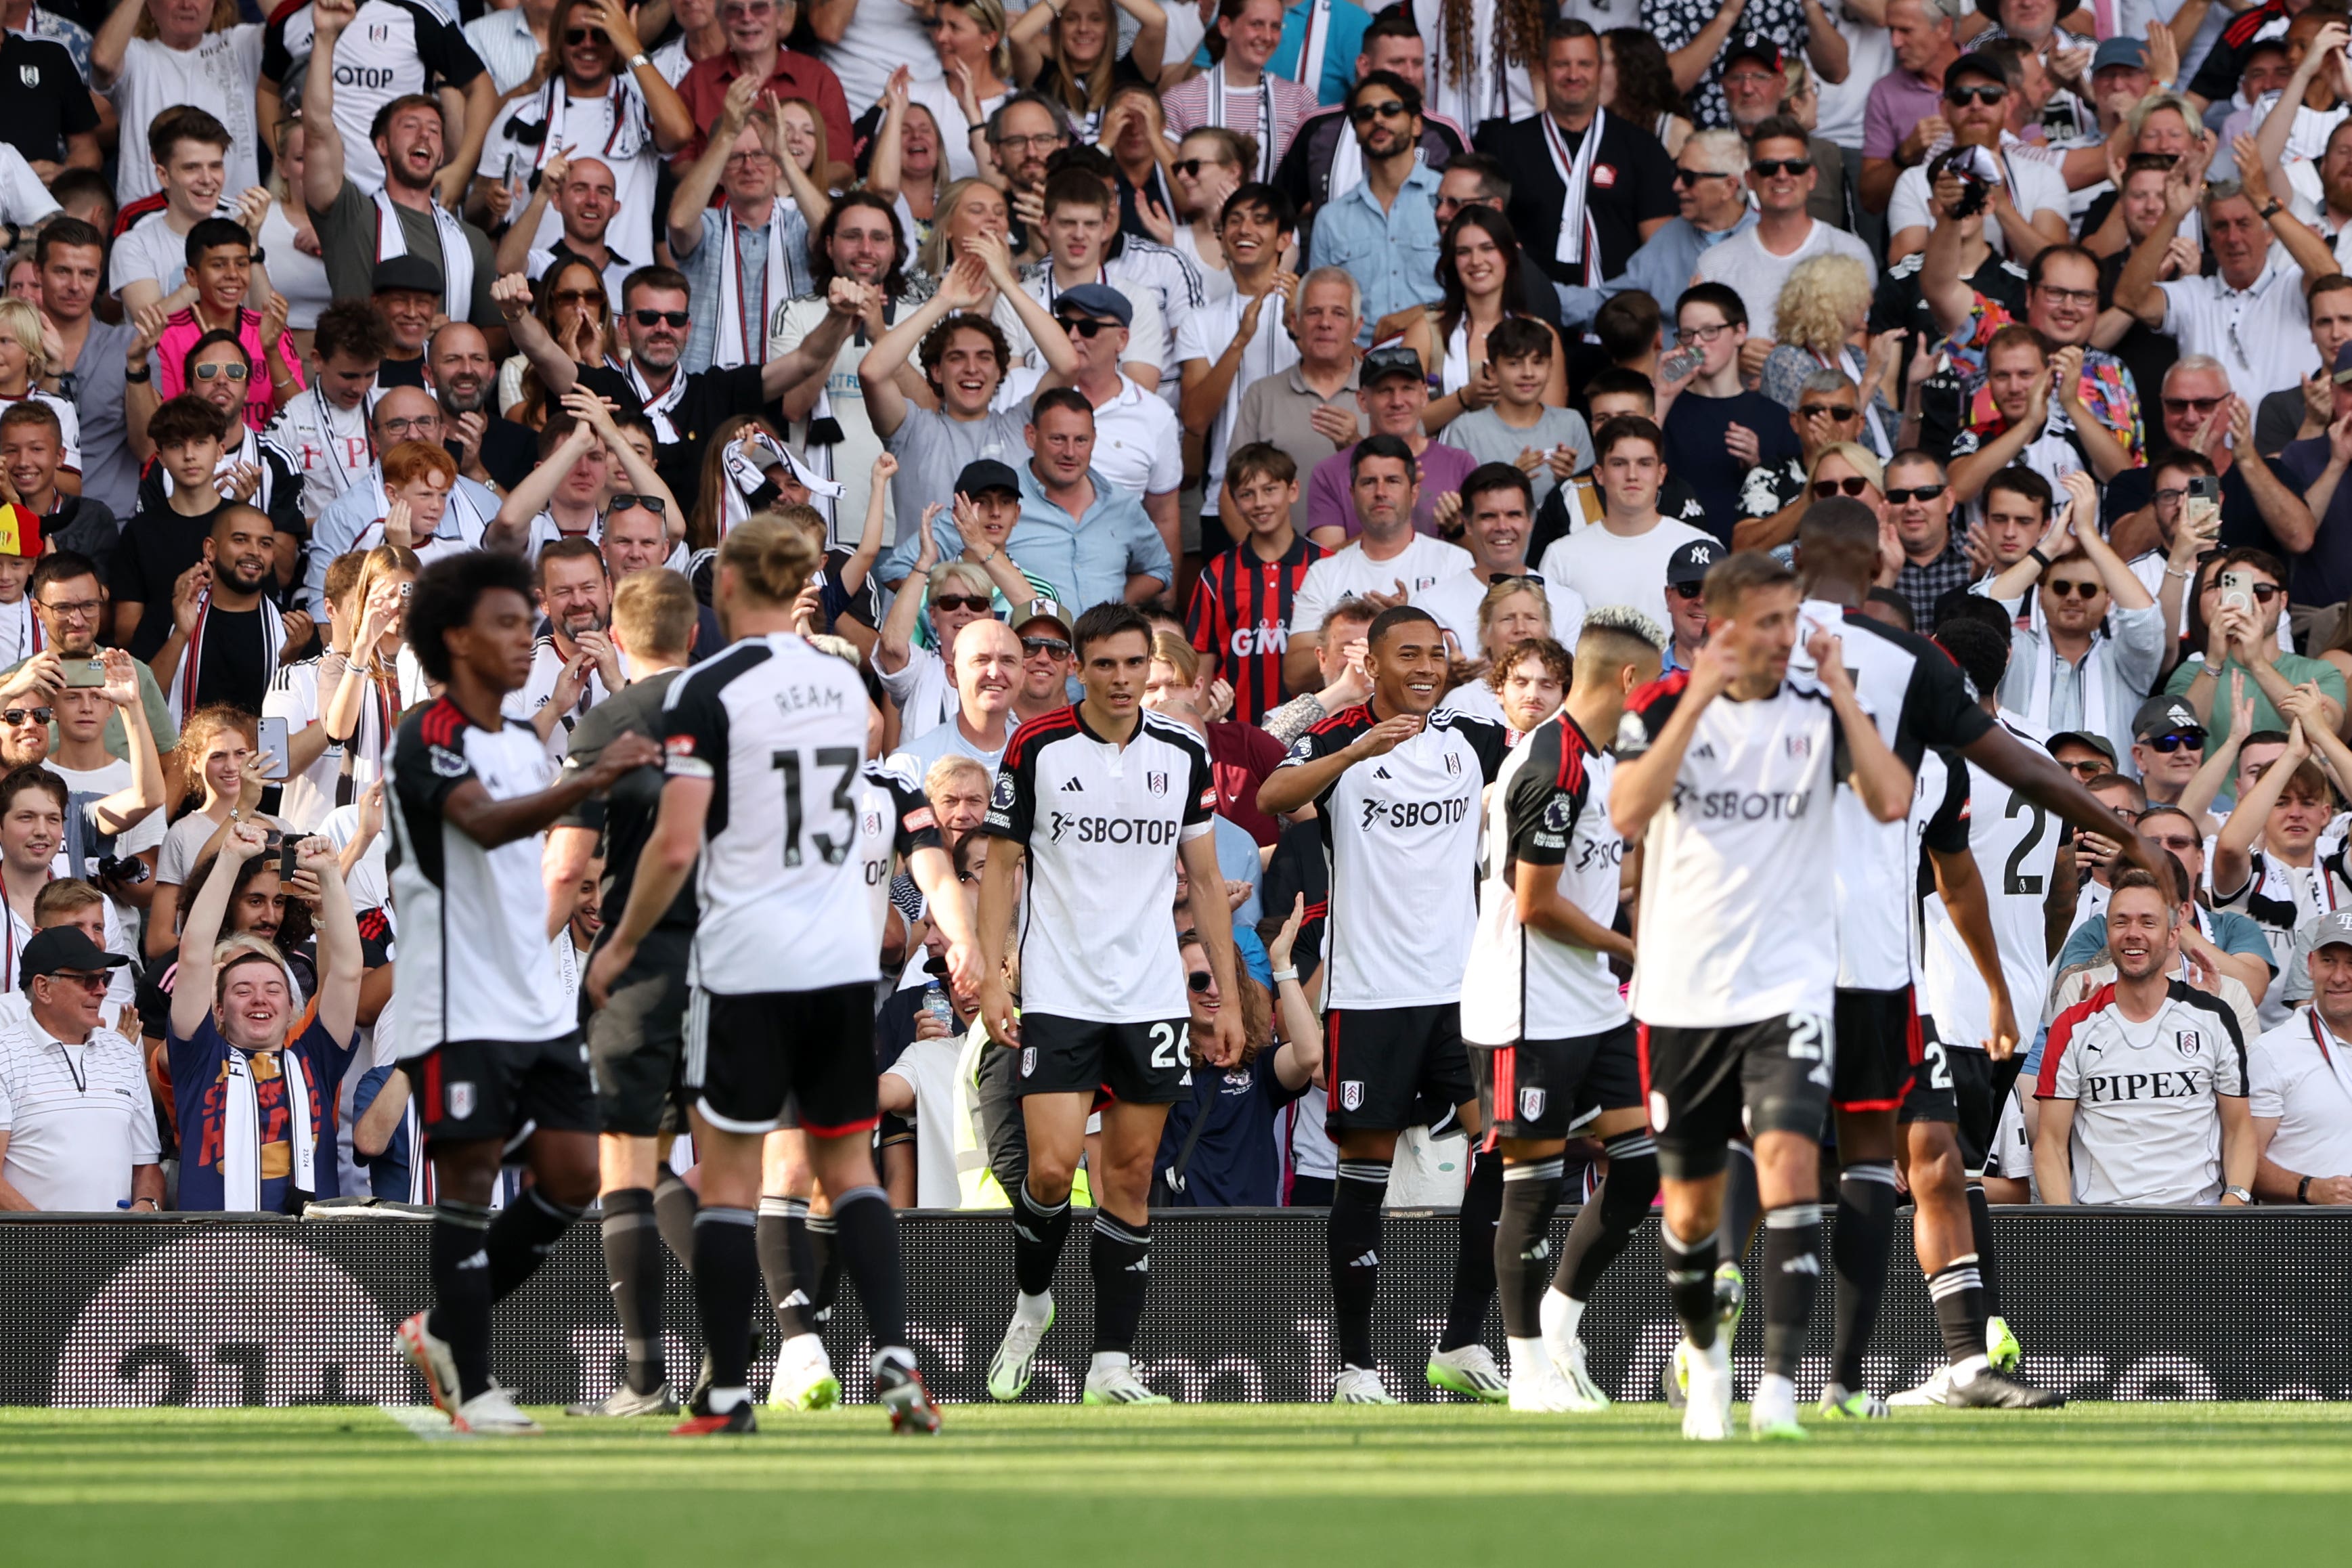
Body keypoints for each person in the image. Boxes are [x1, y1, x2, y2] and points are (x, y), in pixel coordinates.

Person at [1609, 549, 1913, 1441]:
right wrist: (1697, 695)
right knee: (1695, 1213)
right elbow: (1627, 812)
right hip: (1681, 994)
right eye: (1771, 623)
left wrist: (1842, 695)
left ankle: (1779, 1389)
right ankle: (1706, 1366)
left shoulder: (1818, 713)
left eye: (1794, 621)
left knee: (1786, 1163)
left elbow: (1892, 800)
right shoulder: (1662, 708)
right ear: (1722, 624)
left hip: (1789, 988)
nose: (1788, 639)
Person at [387, 549, 664, 1435]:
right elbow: (478, 820)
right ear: (456, 639)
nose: (526, 638)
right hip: (457, 999)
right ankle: (469, 1386)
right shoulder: (425, 732)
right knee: (469, 1181)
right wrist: (590, 780)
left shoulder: (516, 740)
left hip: (534, 1001)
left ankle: (440, 1329)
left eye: (525, 621)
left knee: (576, 1172)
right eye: (507, 623)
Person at [974, 601, 1244, 1406]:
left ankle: (1111, 1366)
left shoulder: (1183, 752)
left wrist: (1224, 996)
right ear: (1079, 668)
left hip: (1152, 995)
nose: (1124, 680)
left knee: (1126, 1181)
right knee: (1053, 1172)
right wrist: (994, 973)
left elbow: (1202, 879)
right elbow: (999, 866)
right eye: (1107, 665)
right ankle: (1032, 1305)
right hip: (1060, 991)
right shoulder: (1038, 745)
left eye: (1136, 664)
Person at [1256, 605, 1510, 1406]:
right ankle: (1356, 1367)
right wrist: (1355, 749)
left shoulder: (1471, 740)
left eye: (1437, 654)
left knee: (1505, 1149)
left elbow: (1541, 749)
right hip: (1372, 999)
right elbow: (1270, 793)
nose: (1427, 666)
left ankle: (1463, 1339)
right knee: (1361, 1177)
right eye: (1409, 654)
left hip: (1462, 999)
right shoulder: (1342, 743)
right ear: (1374, 662)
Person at [1459, 607, 1664, 1411]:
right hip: (1524, 1006)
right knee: (1533, 1187)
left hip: (1587, 1004)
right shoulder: (1553, 762)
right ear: (1627, 680)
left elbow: (1594, 878)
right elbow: (1537, 903)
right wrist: (1636, 953)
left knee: (1639, 1165)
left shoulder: (1602, 760)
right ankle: (1529, 1371)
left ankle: (1561, 1319)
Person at [540, 569, 689, 1415]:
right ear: (692, 636)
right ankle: (757, 1345)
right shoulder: (737, 714)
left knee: (627, 1162)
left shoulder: (611, 721)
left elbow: (566, 865)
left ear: (621, 642)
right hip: (739, 968)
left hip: (641, 966)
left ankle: (643, 1382)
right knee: (723, 1168)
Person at [164, 816, 362, 1213]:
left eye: (274, 989)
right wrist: (231, 859)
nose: (260, 999)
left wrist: (329, 877)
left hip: (306, 1261)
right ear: (217, 1009)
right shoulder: (198, 1058)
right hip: (214, 1258)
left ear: (292, 1007)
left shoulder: (315, 1058)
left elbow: (347, 970)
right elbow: (194, 953)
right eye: (242, 990)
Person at [2037, 867, 2255, 1208]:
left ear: (2173, 935)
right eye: (2120, 922)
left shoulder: (2214, 1017)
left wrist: (2232, 1207)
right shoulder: (2072, 1025)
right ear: (2108, 933)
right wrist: (2072, 1233)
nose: (2133, 934)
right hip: (2104, 1228)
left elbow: (2240, 1129)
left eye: (2148, 922)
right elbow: (2049, 1143)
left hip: (2200, 1224)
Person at [297, 2, 502, 337]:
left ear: (441, 152)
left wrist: (454, 338)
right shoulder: (350, 217)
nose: (424, 135)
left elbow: (495, 341)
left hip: (440, 386)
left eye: (435, 130)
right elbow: (318, 129)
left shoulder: (470, 241)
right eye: (410, 126)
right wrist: (324, 37)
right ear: (382, 144)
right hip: (366, 384)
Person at [476, 0, 694, 271]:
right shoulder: (520, 115)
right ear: (558, 42)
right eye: (575, 36)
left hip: (625, 295)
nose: (588, 45)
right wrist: (490, 201)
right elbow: (477, 213)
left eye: (601, 36)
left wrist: (630, 46)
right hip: (543, 292)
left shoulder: (640, 107)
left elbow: (681, 132)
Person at [2114, 147, 2338, 407]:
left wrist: (2264, 200)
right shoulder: (2193, 294)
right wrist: (2172, 215)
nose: (2233, 238)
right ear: (2210, 238)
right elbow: (2129, 298)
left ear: (2269, 234)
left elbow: (2329, 276)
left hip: (2286, 445)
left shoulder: (2292, 286)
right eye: (2221, 227)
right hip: (2206, 444)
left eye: (2244, 224)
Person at [1475, 21, 1676, 295]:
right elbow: (1486, 232)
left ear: (1600, 70)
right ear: (1543, 70)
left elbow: (1660, 248)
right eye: (1562, 64)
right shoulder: (1505, 145)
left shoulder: (1641, 146)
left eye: (1584, 64)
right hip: (1532, 313)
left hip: (1623, 317)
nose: (1573, 75)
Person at [1281, 437, 1473, 697]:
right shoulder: (1324, 572)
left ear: (1414, 493)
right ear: (1352, 494)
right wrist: (1371, 633)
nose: (1380, 492)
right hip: (1346, 728)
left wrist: (1405, 626)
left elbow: (1474, 662)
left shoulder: (1456, 562)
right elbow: (1294, 675)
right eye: (1369, 482)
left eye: (1392, 481)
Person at [1984, 473, 2168, 743]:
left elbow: (2146, 619)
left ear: (2108, 601)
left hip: (2109, 785)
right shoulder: (2016, 652)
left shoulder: (2126, 663)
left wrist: (2087, 534)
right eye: (2061, 587)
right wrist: (2047, 548)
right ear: (2041, 594)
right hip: (2025, 785)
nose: (2073, 597)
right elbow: (1983, 614)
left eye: (2088, 589)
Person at [668, 77, 831, 377]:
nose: (749, 166)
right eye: (734, 157)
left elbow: (833, 236)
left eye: (759, 155)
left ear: (777, 166)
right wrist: (727, 133)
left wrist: (784, 154)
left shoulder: (798, 225)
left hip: (791, 392)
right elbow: (679, 221)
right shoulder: (708, 227)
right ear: (718, 171)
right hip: (711, 393)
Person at [0, 921, 159, 1213]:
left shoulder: (124, 1052)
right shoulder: (4, 1054)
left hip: (117, 1251)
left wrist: (147, 1205)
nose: (101, 992)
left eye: (105, 979)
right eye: (88, 980)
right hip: (28, 1254)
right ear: (43, 988)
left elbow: (146, 1165)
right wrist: (53, 1239)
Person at [1175, 183, 1301, 549]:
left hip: (1304, 496)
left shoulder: (1314, 311)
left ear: (1284, 240)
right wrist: (1240, 340)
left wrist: (1301, 320)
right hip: (1227, 499)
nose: (1245, 230)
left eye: (1261, 221)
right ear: (1222, 237)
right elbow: (1196, 419)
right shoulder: (1199, 321)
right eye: (1235, 221)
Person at [1695, 117, 1877, 347]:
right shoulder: (1714, 263)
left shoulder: (1850, 253)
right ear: (1750, 179)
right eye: (1768, 167)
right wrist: (1735, 354)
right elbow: (1693, 354)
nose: (1782, 175)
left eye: (1795, 166)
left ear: (1811, 178)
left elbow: (1857, 350)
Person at [1553, 131, 1756, 334]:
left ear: (1729, 187)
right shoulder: (1670, 236)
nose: (1676, 186)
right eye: (1676, 174)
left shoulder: (1766, 238)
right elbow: (1612, 306)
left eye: (1688, 178)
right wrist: (1538, 292)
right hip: (1674, 365)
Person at [1272, 12, 1467, 221]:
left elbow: (1469, 209)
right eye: (1397, 62)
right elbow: (1279, 209)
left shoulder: (1444, 133)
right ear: (1364, 66)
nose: (1410, 74)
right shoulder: (1318, 128)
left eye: (1417, 63)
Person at [1537, 418, 1715, 638]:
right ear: (1599, 474)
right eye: (1619, 464)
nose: (1632, 475)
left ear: (1661, 474)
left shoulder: (1701, 548)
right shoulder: (1561, 556)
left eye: (1645, 464)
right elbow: (1548, 644)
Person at [1187, 443, 1325, 726]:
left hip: (1317, 730)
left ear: (1293, 490)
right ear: (1234, 502)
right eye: (1247, 494)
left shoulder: (1326, 565)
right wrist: (1205, 726)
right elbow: (1201, 663)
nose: (1260, 502)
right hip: (1239, 731)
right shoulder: (1216, 574)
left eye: (1270, 489)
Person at [1659, 283, 1805, 544]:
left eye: (1710, 331)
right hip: (1678, 561)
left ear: (1740, 333)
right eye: (1687, 334)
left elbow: (1797, 504)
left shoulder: (1776, 417)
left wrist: (1758, 467)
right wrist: (1662, 396)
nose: (1698, 343)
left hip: (1751, 567)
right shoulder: (1667, 408)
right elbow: (1637, 463)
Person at [1303, 72, 1443, 336]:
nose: (1377, 119)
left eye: (1390, 110)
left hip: (1441, 358)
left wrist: (1422, 313)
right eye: (1365, 114)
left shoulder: (1449, 200)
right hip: (1361, 365)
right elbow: (1322, 307)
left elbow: (1480, 292)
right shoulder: (1331, 219)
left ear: (1416, 125)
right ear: (1356, 132)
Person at [92, 0, 264, 211]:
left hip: (234, 224)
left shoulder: (240, 45)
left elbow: (289, 28)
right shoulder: (135, 55)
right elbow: (102, 60)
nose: (186, 4)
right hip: (149, 224)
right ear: (150, 5)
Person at [1227, 269, 1366, 529]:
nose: (1325, 323)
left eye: (1339, 313)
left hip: (1371, 562)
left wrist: (1357, 446)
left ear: (1357, 325)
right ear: (1295, 322)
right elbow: (1233, 489)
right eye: (1314, 312)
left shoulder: (1387, 396)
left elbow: (1416, 483)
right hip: (1284, 566)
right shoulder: (1262, 395)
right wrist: (1267, 561)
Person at [1305, 346, 1469, 546]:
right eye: (1385, 391)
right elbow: (1326, 562)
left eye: (1407, 389)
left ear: (1424, 395)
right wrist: (1390, 522)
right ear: (1363, 401)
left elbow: (1482, 559)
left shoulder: (1460, 464)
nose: (1397, 402)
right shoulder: (1329, 473)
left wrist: (1456, 530)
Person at [33, 221, 137, 521]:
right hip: (26, 526)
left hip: (111, 523)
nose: (75, 286)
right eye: (62, 271)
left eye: (88, 274)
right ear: (39, 273)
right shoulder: (11, 345)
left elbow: (147, 448)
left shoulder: (128, 344)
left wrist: (137, 369)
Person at [2250, 909, 2352, 1205]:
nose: (2339, 977)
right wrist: (2311, 1189)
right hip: (2303, 1240)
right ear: (2310, 965)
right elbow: (2240, 1162)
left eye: (2351, 964)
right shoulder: (2272, 1052)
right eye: (2328, 961)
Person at [1432, 320, 1589, 512]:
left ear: (1550, 368)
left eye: (1538, 362)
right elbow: (1456, 509)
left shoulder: (1572, 423)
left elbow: (1591, 505)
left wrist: (1568, 482)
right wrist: (1510, 482)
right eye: (1514, 363)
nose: (1528, 373)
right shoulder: (1465, 430)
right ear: (1492, 371)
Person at [1161, 0, 1320, 181]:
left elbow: (1310, 184)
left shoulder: (1299, 100)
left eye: (1275, 26)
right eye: (1256, 24)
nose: (1267, 36)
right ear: (1226, 26)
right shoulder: (1180, 100)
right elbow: (1170, 184)